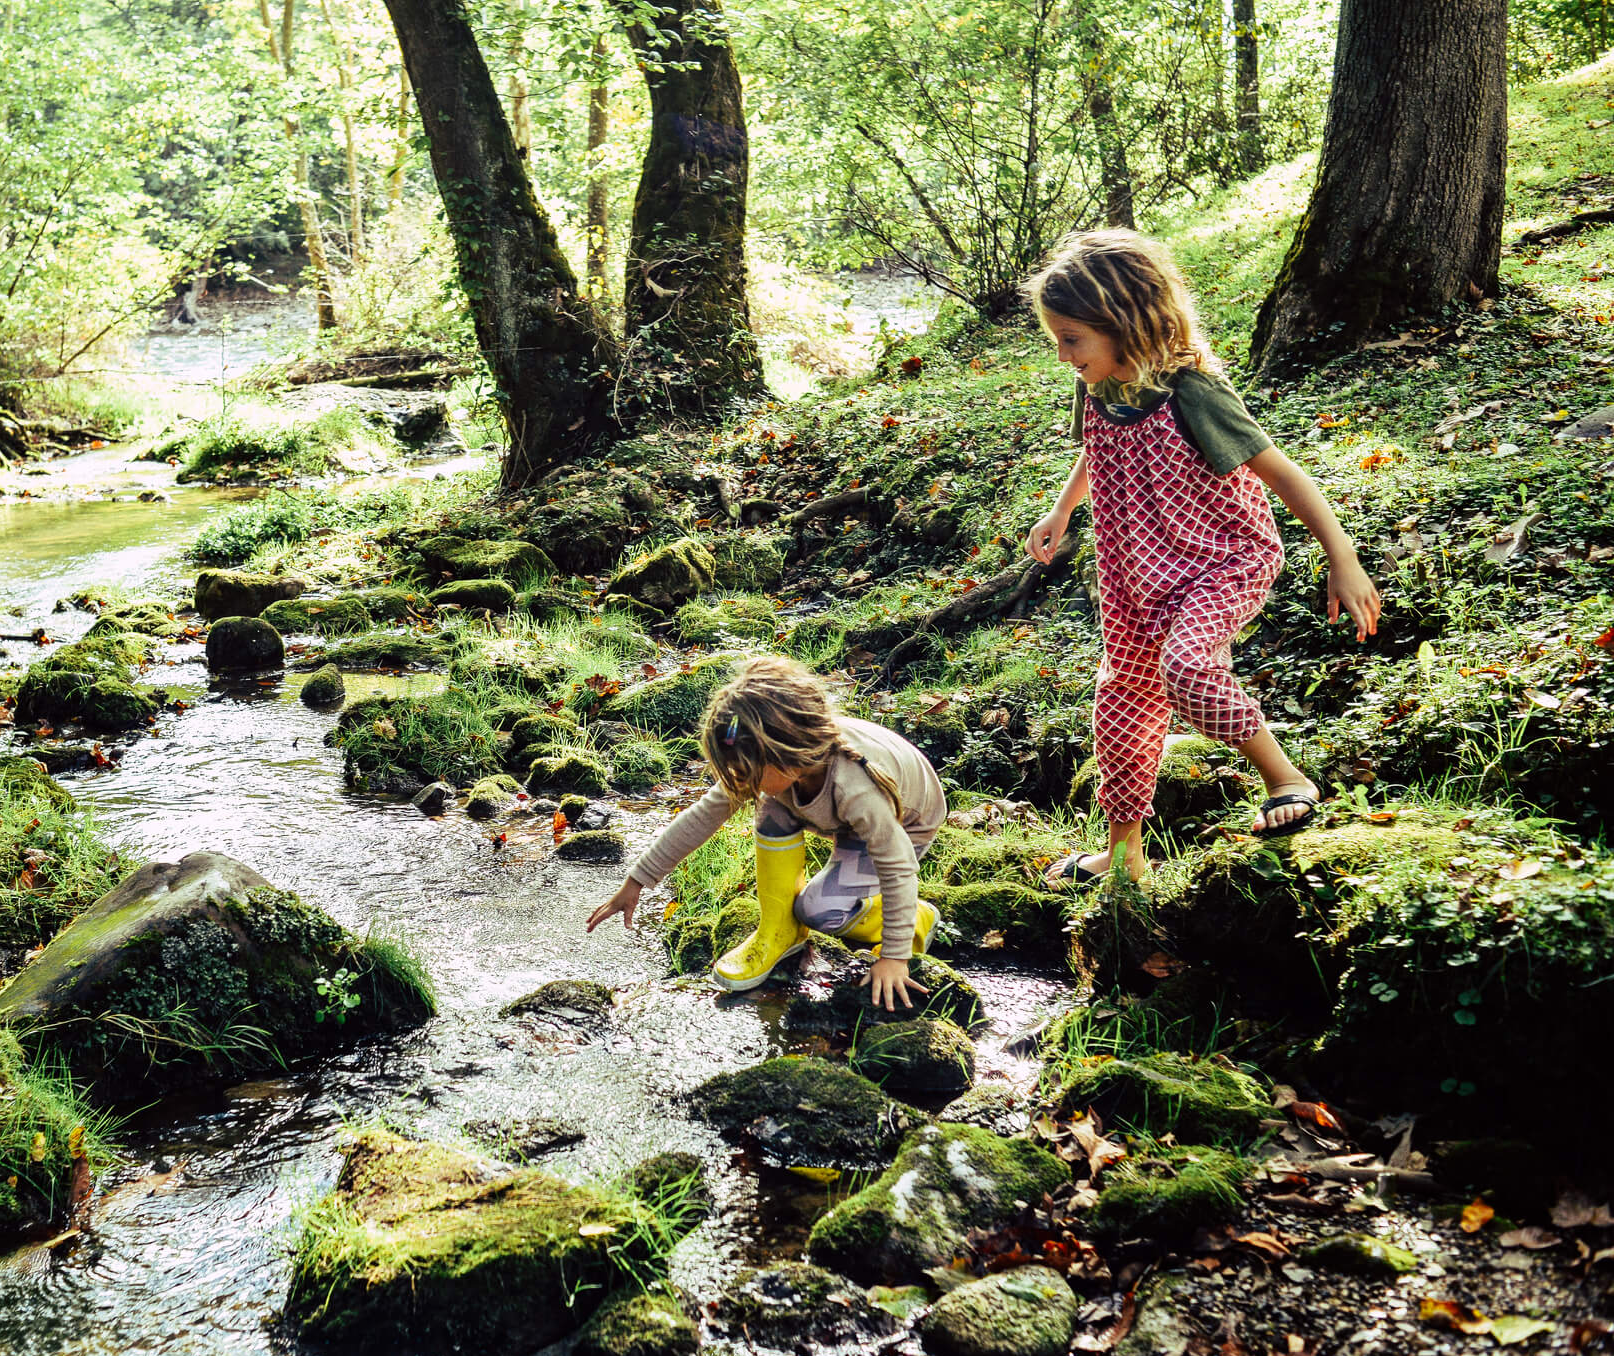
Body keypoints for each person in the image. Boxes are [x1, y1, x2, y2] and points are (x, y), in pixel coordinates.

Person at [1021, 228, 1382, 884]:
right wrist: (1063, 508)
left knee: (1186, 667)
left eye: (1071, 338)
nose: (1062, 353)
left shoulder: (1193, 393)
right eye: (1057, 340)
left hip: (1221, 560)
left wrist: (1342, 557)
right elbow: (1095, 450)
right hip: (1134, 575)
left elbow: (1284, 475)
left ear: (1122, 322)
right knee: (1122, 698)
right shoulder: (1100, 383)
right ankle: (1123, 852)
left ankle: (1285, 777)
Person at [585, 656, 947, 1013]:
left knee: (819, 911)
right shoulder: (776, 762)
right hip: (841, 814)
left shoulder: (856, 788)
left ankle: (916, 920)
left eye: (746, 774)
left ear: (786, 757)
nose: (739, 784)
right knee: (770, 806)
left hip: (906, 824)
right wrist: (636, 880)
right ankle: (779, 930)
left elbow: (896, 864)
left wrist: (896, 957)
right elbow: (702, 817)